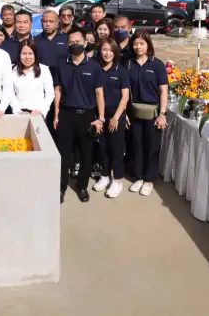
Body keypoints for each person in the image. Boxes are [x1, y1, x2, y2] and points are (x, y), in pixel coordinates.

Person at [53, 26, 105, 203]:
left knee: (86, 154)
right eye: (72, 42)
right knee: (63, 154)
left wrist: (101, 118)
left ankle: (82, 186)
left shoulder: (94, 66)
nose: (75, 44)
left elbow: (99, 94)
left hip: (87, 116)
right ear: (68, 44)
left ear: (85, 42)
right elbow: (58, 90)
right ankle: (60, 188)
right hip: (66, 114)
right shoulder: (62, 64)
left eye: (78, 41)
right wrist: (57, 114)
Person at [125, 31, 169, 197]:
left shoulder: (157, 65)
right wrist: (125, 113)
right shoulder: (129, 65)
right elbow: (125, 92)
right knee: (137, 145)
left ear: (148, 45)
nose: (138, 47)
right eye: (135, 43)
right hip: (135, 112)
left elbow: (163, 91)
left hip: (153, 113)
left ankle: (149, 179)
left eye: (142, 43)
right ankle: (139, 177)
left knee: (152, 146)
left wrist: (162, 113)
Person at [94, 38, 129, 199]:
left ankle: (117, 180)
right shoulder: (97, 69)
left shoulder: (121, 71)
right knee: (103, 147)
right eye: (104, 50)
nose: (107, 53)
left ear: (115, 52)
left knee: (116, 150)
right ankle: (105, 176)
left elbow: (125, 97)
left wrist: (116, 117)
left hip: (116, 117)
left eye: (110, 50)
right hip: (101, 116)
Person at [10, 40, 54, 118]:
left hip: (38, 114)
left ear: (35, 54)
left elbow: (50, 94)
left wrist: (42, 110)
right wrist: (17, 110)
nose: (27, 57)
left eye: (30, 53)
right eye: (24, 53)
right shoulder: (12, 70)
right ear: (19, 54)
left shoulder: (44, 69)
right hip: (19, 114)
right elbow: (10, 93)